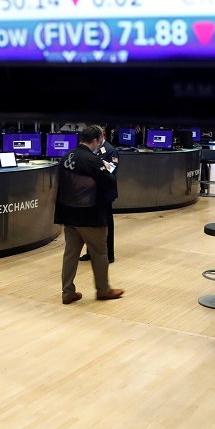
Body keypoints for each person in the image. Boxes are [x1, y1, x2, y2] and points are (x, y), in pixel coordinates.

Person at [55, 125, 123, 304]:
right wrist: (106, 167)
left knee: (70, 254)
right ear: (95, 140)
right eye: (100, 140)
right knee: (100, 253)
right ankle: (103, 290)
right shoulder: (92, 160)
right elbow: (109, 182)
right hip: (90, 215)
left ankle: (67, 292)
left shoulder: (66, 156)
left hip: (68, 213)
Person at [80, 126, 119, 263]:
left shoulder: (110, 150)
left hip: (104, 193)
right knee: (91, 225)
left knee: (106, 224)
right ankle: (90, 252)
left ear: (102, 136)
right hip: (90, 193)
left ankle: (109, 254)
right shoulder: (90, 149)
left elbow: (111, 172)